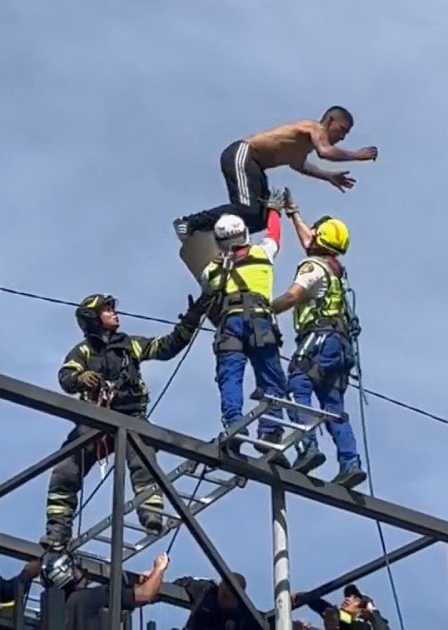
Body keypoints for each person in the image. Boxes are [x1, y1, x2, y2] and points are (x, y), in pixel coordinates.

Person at [41, 293, 211, 549]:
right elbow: (66, 376)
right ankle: (58, 531)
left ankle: (151, 514)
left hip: (131, 418)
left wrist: (193, 318)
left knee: (143, 462)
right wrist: (81, 377)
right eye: (107, 310)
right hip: (96, 419)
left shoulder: (130, 345)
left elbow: (166, 347)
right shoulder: (83, 351)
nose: (114, 313)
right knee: (65, 470)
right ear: (93, 319)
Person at [268, 190, 366, 488]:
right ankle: (350, 463)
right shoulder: (334, 269)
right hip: (340, 347)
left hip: (319, 338)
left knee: (297, 383)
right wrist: (294, 212)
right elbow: (310, 240)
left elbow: (295, 295)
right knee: (332, 404)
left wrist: (265, 308)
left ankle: (307, 447)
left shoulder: (313, 268)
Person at [173, 107, 378, 240]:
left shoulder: (301, 146)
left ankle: (210, 235)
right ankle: (190, 222)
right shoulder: (313, 128)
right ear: (330, 120)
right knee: (246, 207)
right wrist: (358, 156)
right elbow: (325, 152)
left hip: (256, 167)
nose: (342, 137)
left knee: (261, 218)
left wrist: (328, 176)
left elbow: (299, 165)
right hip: (243, 154)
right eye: (342, 130)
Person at [198, 196, 292, 458]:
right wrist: (273, 211)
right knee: (271, 378)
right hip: (260, 322)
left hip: (230, 324)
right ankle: (269, 431)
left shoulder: (211, 271)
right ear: (245, 233)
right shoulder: (263, 253)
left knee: (230, 376)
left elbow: (209, 293)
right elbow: (275, 234)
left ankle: (235, 424)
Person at [38, 550, 169, 630]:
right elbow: (145, 595)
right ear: (68, 575)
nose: (84, 570)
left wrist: (143, 580)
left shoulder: (55, 614)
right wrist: (159, 568)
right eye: (77, 569)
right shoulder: (91, 598)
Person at [297, 585, 390, 629]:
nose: (347, 600)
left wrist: (373, 615)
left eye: (354, 598)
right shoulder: (347, 619)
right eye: (348, 597)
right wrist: (303, 597)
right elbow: (327, 610)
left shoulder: (363, 626)